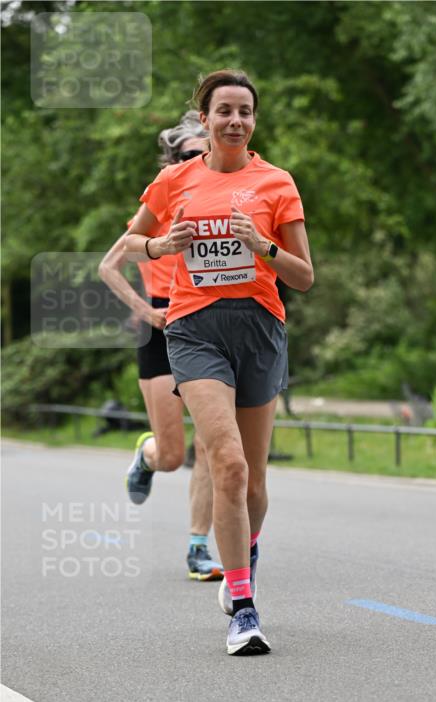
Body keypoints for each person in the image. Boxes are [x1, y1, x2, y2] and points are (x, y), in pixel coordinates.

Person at [126, 69, 314, 655]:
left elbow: (304, 277)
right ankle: (244, 609)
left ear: (254, 120)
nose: (236, 121)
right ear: (204, 119)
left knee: (253, 479)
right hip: (194, 332)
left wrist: (263, 246)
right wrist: (161, 245)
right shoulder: (174, 180)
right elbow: (131, 242)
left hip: (259, 330)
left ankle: (243, 556)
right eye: (224, 111)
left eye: (245, 112)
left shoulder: (276, 183)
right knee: (227, 465)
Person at [99, 112, 224, 582]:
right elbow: (109, 266)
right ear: (174, 160)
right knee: (173, 456)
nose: (198, 160)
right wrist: (145, 310)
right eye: (189, 153)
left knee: (209, 445)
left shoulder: (222, 201)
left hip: (209, 323)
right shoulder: (158, 204)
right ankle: (148, 454)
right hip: (161, 325)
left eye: (204, 152)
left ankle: (198, 547)